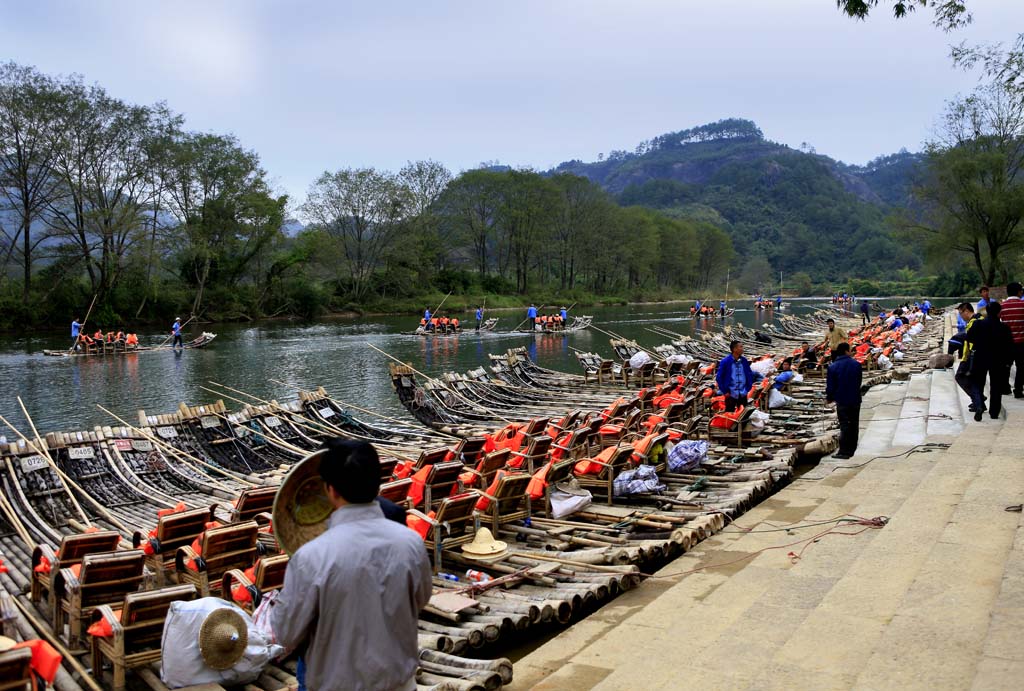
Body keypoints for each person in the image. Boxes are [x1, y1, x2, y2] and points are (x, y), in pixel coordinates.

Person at [271, 440, 432, 691]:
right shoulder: (410, 542)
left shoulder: (310, 558)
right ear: (377, 484)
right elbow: (420, 599)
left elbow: (286, 634)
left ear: (330, 490)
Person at [966, 301, 1014, 421]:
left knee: (978, 383)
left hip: (980, 357)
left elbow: (969, 337)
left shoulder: (978, 324)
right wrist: (1009, 361)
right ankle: (994, 412)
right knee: (996, 386)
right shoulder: (1004, 327)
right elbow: (1009, 346)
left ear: (986, 311)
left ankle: (979, 405)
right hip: (998, 359)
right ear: (999, 313)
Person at [826, 342, 863, 459]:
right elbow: (859, 382)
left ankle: (844, 451)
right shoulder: (856, 364)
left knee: (844, 425)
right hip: (855, 398)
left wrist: (829, 398)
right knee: (854, 423)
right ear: (846, 351)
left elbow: (831, 386)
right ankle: (852, 448)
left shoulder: (833, 367)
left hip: (842, 400)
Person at [954, 302, 985, 416]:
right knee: (977, 381)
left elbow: (970, 342)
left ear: (966, 311)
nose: (961, 316)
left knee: (963, 377)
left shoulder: (974, 323)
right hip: (977, 355)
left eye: (961, 313)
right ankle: (979, 400)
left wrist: (965, 357)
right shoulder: (979, 320)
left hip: (972, 356)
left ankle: (978, 402)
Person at [715, 340, 753, 413]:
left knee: (743, 414)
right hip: (730, 393)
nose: (742, 349)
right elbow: (719, 377)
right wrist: (725, 391)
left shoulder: (744, 360)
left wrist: (748, 387)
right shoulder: (725, 361)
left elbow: (749, 373)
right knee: (729, 413)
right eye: (740, 347)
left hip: (743, 392)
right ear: (734, 349)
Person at [1001, 282, 1024, 399]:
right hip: (1021, 342)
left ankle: (1005, 388)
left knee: (1006, 366)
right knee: (1021, 367)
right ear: (1019, 291)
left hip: (1007, 343)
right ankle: (1018, 389)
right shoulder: (1023, 305)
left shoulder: (1002, 306)